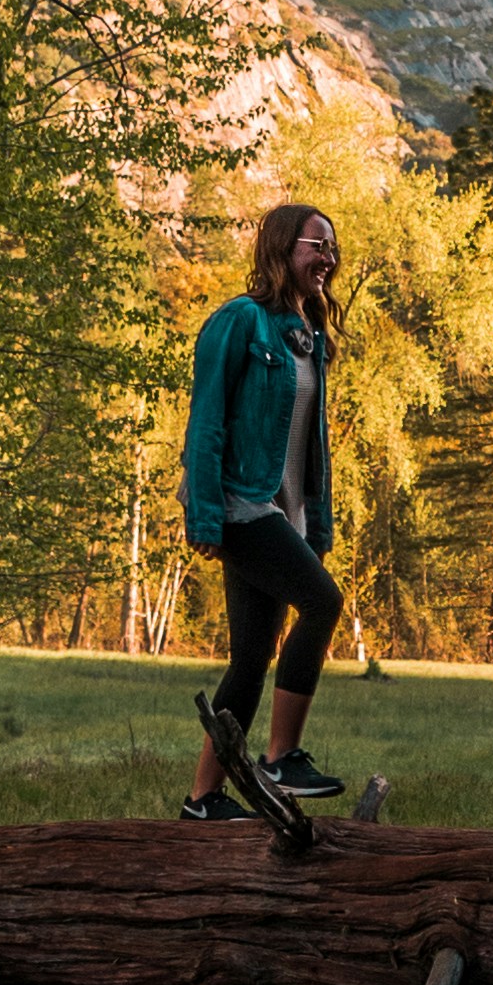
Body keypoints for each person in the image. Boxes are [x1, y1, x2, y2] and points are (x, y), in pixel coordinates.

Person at [178, 198, 350, 814]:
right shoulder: (239, 321)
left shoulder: (306, 338)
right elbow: (206, 423)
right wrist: (202, 514)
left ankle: (202, 799)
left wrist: (316, 522)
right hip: (240, 506)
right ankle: (281, 759)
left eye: (332, 247)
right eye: (316, 245)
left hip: (284, 514)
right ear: (282, 248)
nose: (328, 258)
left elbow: (310, 446)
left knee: (251, 660)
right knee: (323, 602)